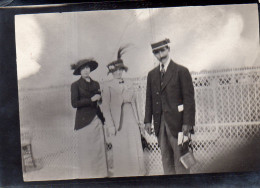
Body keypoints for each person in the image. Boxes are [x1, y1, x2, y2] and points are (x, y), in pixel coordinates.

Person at [144, 38, 196, 175]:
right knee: (166, 161)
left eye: (162, 50)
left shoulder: (181, 71)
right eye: (156, 52)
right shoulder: (152, 75)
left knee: (181, 161)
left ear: (168, 49)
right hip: (160, 125)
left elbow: (189, 99)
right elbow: (149, 99)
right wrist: (147, 121)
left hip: (178, 124)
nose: (160, 54)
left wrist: (187, 123)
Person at [102, 46, 145, 177]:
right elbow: (106, 108)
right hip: (117, 121)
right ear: (111, 72)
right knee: (121, 148)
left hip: (131, 118)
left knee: (133, 145)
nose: (118, 73)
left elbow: (136, 103)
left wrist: (139, 121)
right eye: (115, 71)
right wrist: (110, 125)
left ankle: (138, 174)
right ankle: (123, 176)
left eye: (120, 70)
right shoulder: (107, 85)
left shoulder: (129, 82)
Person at [70, 59, 107, 178]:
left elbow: (99, 102)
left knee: (99, 149)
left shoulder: (96, 83)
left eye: (87, 68)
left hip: (97, 118)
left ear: (90, 69)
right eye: (83, 68)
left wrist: (100, 98)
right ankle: (88, 176)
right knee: (87, 150)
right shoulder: (75, 85)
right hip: (84, 122)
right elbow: (74, 103)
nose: (86, 70)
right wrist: (91, 99)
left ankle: (102, 175)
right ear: (79, 71)